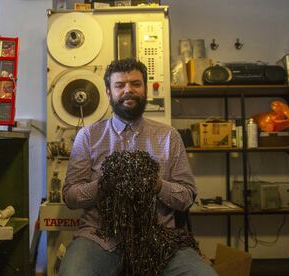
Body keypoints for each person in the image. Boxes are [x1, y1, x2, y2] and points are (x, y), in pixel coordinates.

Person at [59, 58, 217, 276]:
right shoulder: (88, 136)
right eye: (120, 85)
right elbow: (70, 196)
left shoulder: (168, 136)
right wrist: (104, 186)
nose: (128, 90)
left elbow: (187, 196)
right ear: (108, 92)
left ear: (145, 89)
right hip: (99, 236)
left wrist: (158, 185)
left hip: (160, 238)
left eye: (135, 84)